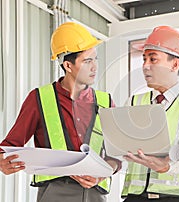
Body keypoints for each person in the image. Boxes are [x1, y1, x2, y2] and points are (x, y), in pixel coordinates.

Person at [0, 22, 121, 202]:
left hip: (95, 194)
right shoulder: (39, 98)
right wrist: (3, 161)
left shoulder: (106, 102)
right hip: (55, 193)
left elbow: (117, 154)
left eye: (95, 59)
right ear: (68, 65)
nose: (95, 67)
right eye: (87, 61)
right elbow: (8, 146)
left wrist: (102, 174)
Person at [121, 26, 179, 202]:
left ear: (174, 64)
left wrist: (164, 166)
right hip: (136, 197)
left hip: (178, 197)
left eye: (153, 59)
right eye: (144, 59)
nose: (145, 66)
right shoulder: (133, 102)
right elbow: (119, 147)